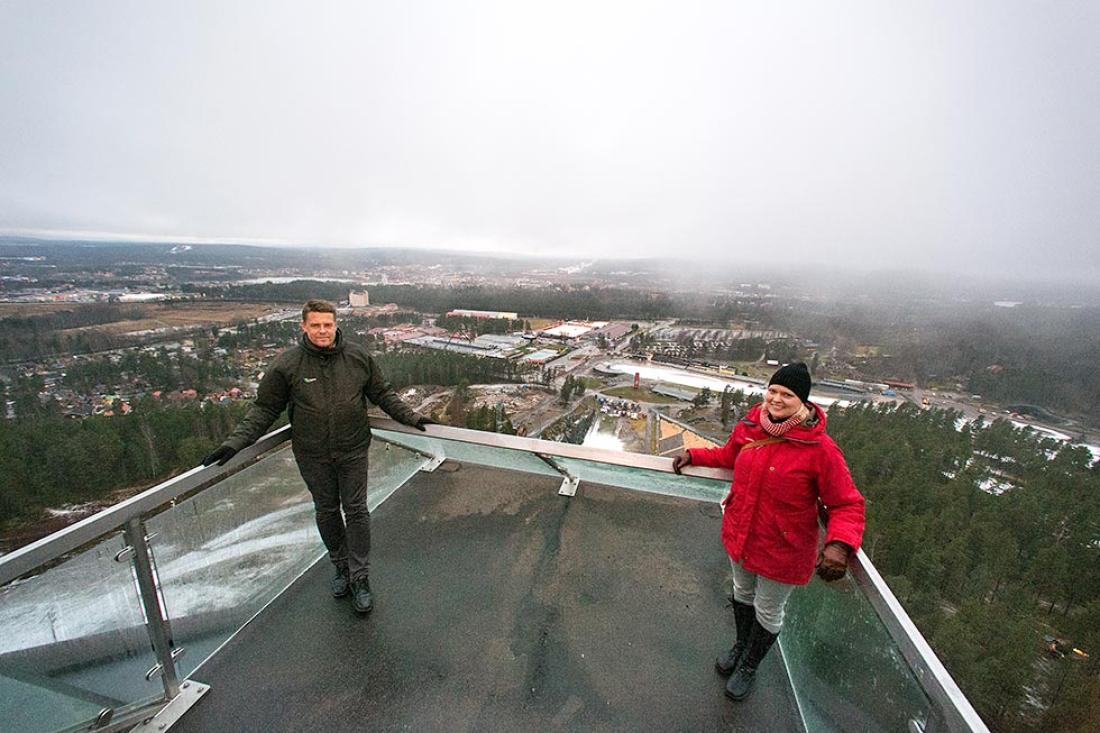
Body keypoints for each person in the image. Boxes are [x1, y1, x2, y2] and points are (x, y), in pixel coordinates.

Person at [203, 299, 434, 615]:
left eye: (328, 324)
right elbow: (265, 409)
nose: (323, 330)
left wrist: (412, 417)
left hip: (353, 449)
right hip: (313, 454)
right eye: (316, 325)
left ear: (336, 324)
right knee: (326, 511)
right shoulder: (287, 365)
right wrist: (235, 443)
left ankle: (360, 577)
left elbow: (382, 393)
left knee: (356, 511)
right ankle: (341, 567)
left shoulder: (358, 357)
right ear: (304, 326)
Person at [672, 362, 865, 702]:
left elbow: (847, 504)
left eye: (786, 394)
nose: (776, 399)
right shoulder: (751, 426)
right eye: (772, 391)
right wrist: (693, 454)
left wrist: (838, 545)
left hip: (784, 548)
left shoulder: (821, 449)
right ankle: (740, 645)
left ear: (803, 401)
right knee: (742, 593)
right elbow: (729, 456)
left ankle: (749, 665)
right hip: (741, 532)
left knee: (768, 609)